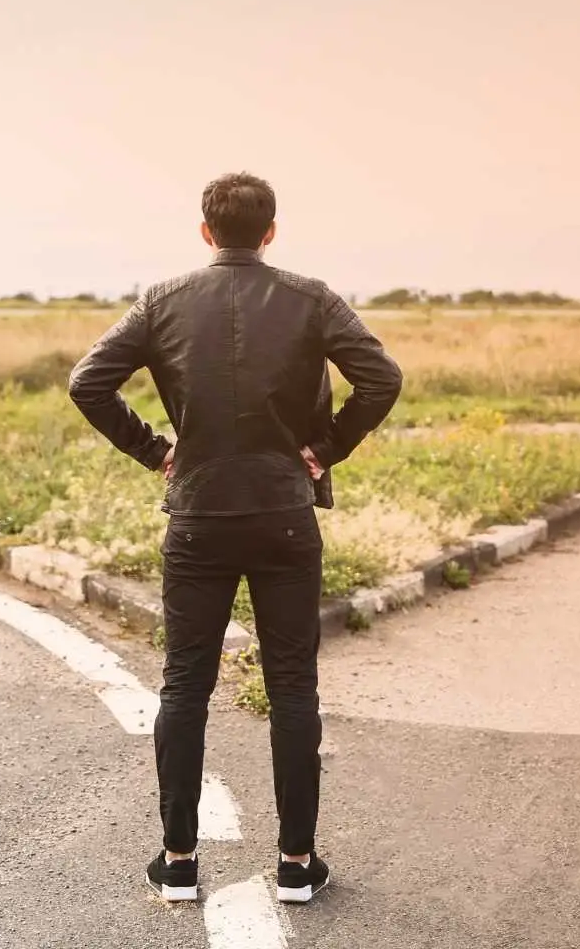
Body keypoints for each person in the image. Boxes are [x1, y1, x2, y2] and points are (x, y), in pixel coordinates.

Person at [67, 171, 402, 905]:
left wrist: (155, 450)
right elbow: (382, 378)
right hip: (284, 515)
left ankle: (179, 862)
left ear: (206, 231)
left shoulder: (162, 300)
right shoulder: (312, 297)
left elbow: (87, 382)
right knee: (293, 687)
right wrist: (326, 450)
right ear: (271, 231)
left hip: (199, 516)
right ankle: (296, 865)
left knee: (185, 686)